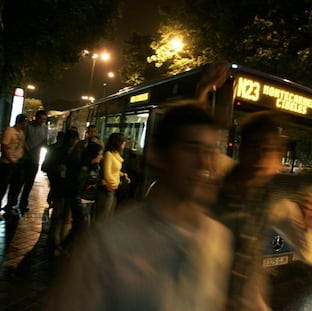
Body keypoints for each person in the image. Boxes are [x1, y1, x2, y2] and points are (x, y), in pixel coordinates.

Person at [42, 103, 233, 310]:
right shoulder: (108, 244)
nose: (204, 162)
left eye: (211, 151)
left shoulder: (218, 239)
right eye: (191, 148)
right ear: (158, 156)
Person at [215, 111, 312, 311]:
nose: (261, 157)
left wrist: (307, 226)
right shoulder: (219, 171)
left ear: (278, 158)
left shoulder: (276, 204)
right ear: (242, 149)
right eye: (255, 146)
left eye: (269, 150)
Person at [17, 109, 48, 214]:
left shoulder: (45, 129)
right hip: (24, 158)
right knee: (19, 181)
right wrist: (28, 149)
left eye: (44, 119)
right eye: (40, 118)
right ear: (36, 117)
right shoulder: (28, 126)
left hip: (35, 159)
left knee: (29, 183)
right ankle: (12, 204)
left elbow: (44, 142)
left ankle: (23, 203)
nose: (41, 121)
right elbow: (22, 139)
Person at [94, 132, 130, 221]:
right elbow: (107, 174)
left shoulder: (116, 155)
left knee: (108, 215)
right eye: (123, 142)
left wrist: (123, 175)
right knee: (103, 217)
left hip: (112, 189)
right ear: (118, 143)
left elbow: (115, 170)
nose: (124, 144)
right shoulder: (108, 155)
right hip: (107, 189)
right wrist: (114, 183)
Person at [0, 114, 28, 218]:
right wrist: (11, 160)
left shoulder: (21, 133)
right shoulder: (9, 131)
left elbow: (22, 144)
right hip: (7, 164)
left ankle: (10, 206)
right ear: (21, 122)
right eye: (25, 122)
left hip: (18, 163)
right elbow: (3, 147)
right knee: (2, 187)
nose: (26, 124)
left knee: (16, 186)